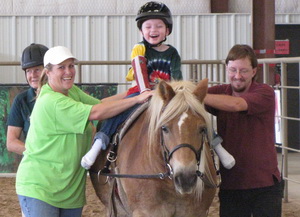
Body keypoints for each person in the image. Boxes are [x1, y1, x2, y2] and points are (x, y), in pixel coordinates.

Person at [15, 46, 153, 217]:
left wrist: (134, 92)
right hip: (41, 188)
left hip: (70, 191)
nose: (69, 71)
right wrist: (138, 99)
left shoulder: (70, 91)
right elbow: (96, 113)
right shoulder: (51, 101)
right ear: (48, 72)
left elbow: (101, 104)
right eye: (62, 67)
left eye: (71, 66)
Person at [81, 1, 183, 170]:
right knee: (117, 113)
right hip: (140, 92)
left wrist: (174, 94)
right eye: (148, 26)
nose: (153, 30)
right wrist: (144, 92)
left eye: (158, 26)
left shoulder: (172, 53)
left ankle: (215, 145)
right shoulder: (140, 49)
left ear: (167, 30)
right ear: (141, 30)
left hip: (165, 94)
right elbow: (139, 71)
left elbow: (177, 77)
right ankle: (98, 145)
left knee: (191, 113)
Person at [204, 44, 282, 217]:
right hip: (231, 185)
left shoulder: (265, 92)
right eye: (232, 70)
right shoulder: (220, 92)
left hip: (264, 185)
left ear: (254, 71)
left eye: (244, 71)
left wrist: (193, 94)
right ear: (226, 69)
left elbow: (237, 104)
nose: (237, 76)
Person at [6, 43, 49, 155]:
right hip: (36, 162)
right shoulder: (21, 100)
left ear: (48, 71)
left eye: (37, 70)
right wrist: (38, 154)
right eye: (28, 71)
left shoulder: (63, 96)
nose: (32, 75)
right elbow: (11, 142)